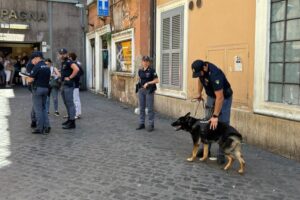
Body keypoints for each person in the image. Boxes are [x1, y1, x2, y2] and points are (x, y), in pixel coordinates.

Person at [191, 60, 233, 165]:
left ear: (204, 68)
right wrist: (199, 93)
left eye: (199, 73)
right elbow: (200, 80)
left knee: (222, 124)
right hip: (211, 96)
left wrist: (215, 116)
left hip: (224, 98)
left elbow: (220, 97)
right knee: (207, 123)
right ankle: (206, 150)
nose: (198, 75)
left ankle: (221, 154)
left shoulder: (215, 74)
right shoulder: (201, 71)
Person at [27, 51, 51, 134]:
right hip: (46, 89)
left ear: (37, 58)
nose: (32, 61)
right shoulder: (47, 66)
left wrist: (28, 79)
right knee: (44, 108)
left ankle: (39, 128)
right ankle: (47, 126)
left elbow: (30, 79)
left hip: (38, 90)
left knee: (38, 110)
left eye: (33, 59)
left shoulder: (37, 67)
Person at [136, 56, 159, 132]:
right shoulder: (140, 70)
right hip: (141, 90)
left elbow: (157, 80)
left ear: (149, 62)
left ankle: (151, 124)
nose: (145, 62)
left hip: (149, 90)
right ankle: (142, 123)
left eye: (146, 61)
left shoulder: (152, 70)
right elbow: (139, 79)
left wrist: (148, 83)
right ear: (142, 62)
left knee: (150, 108)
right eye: (144, 61)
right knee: (141, 108)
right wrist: (138, 87)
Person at [58, 48, 79, 129]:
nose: (62, 55)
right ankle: (69, 119)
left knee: (70, 103)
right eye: (61, 53)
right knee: (66, 103)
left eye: (63, 53)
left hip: (68, 85)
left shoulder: (69, 61)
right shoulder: (63, 62)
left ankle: (72, 122)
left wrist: (70, 77)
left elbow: (76, 69)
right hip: (64, 84)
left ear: (66, 54)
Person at [68, 52, 83, 119]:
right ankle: (76, 113)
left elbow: (81, 72)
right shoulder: (76, 64)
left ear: (71, 58)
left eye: (69, 57)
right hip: (74, 83)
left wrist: (73, 77)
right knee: (75, 99)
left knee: (76, 99)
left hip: (74, 84)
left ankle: (77, 113)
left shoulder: (75, 64)